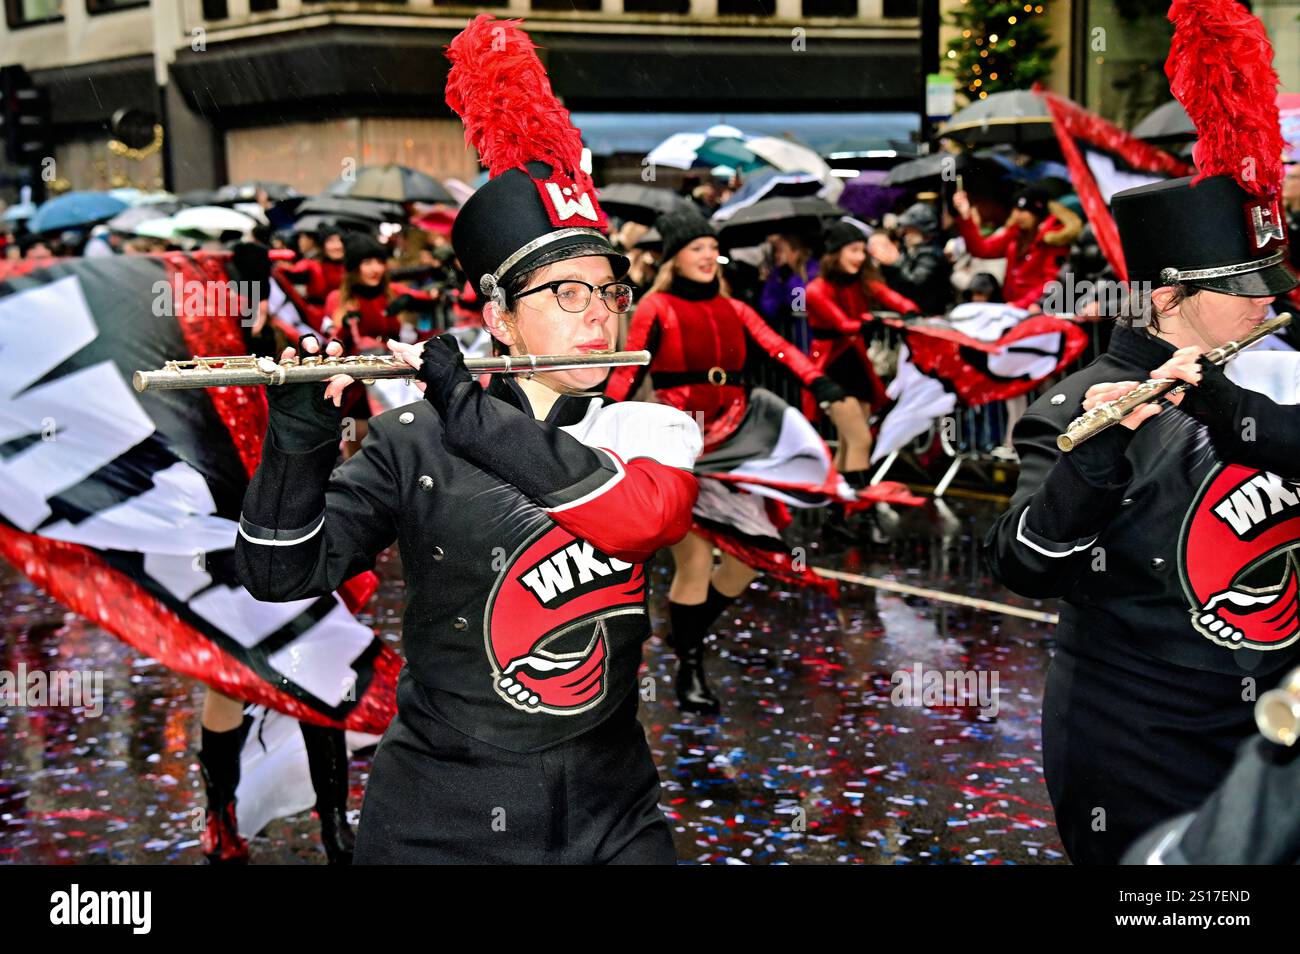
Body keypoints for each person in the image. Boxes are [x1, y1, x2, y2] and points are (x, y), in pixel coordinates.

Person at [233, 14, 701, 864]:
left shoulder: (651, 426)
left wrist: (469, 407)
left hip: (614, 812)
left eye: (610, 290)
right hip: (440, 819)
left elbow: (639, 519)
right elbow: (276, 575)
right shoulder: (412, 441)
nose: (599, 315)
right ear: (499, 317)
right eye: (565, 293)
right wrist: (296, 442)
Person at [983, 171, 1300, 864]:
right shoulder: (1081, 399)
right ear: (1167, 295)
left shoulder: (1275, 376)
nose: (1271, 300)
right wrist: (1093, 463)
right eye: (1243, 286)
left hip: (1280, 717)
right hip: (1151, 736)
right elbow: (1024, 564)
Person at [606, 206, 863, 714]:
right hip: (680, 444)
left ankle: (688, 631)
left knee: (750, 559)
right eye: (695, 248)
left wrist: (822, 383)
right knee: (697, 560)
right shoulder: (657, 307)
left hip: (737, 441)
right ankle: (690, 669)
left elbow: (779, 349)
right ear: (675, 258)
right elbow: (629, 372)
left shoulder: (734, 308)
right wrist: (602, 417)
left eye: (710, 248)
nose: (706, 256)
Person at [952, 185, 1082, 310]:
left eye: (1023, 211)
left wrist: (1022, 304)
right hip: (1011, 308)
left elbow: (1052, 281)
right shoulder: (1015, 234)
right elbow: (982, 249)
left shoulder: (1053, 239)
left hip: (1035, 310)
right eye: (1015, 210)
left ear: (1037, 213)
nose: (1017, 215)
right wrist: (966, 216)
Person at [875, 202, 953, 316]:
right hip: (911, 311)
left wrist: (894, 263)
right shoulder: (911, 250)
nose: (906, 234)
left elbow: (915, 284)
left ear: (924, 230)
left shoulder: (930, 255)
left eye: (911, 229)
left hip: (928, 314)